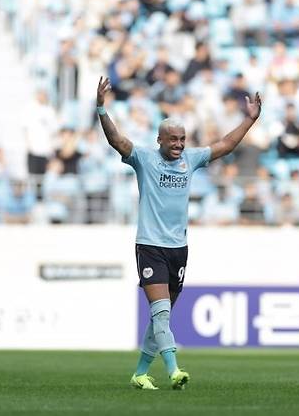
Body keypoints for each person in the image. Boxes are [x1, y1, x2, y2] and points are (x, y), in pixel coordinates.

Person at [96, 76, 262, 390]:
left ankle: (140, 373)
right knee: (160, 313)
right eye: (173, 139)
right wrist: (101, 110)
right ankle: (174, 371)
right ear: (159, 140)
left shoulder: (191, 159)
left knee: (162, 317)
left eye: (182, 139)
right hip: (150, 245)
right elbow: (117, 141)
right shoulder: (144, 158)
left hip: (179, 248)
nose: (179, 145)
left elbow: (225, 145)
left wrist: (249, 120)